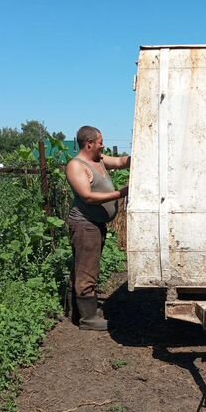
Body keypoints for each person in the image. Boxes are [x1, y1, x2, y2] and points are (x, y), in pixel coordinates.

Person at [65, 125, 130, 330]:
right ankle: (88, 319)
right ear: (89, 143)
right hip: (85, 224)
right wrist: (121, 193)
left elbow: (120, 162)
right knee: (86, 270)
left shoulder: (99, 160)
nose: (103, 145)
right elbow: (87, 196)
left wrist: (142, 156)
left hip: (95, 224)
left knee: (87, 267)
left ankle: (81, 311)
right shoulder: (77, 166)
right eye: (100, 141)